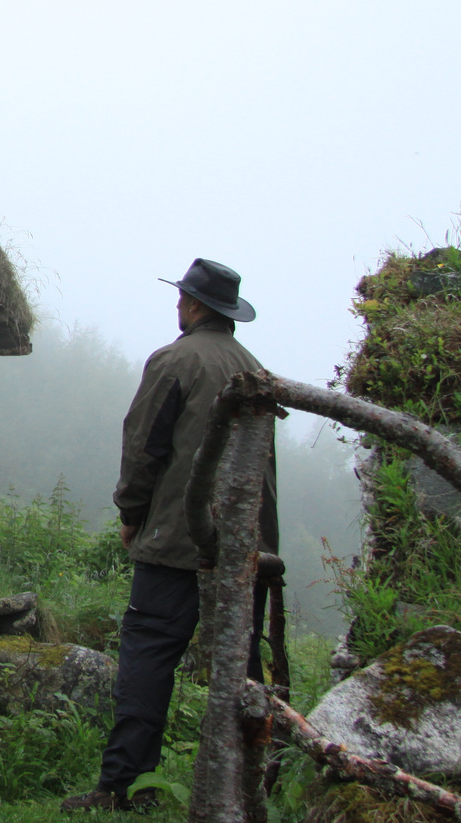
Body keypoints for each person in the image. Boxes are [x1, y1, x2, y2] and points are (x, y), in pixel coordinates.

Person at [61, 258, 278, 813]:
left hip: (176, 543)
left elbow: (144, 447)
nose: (177, 305)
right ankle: (251, 789)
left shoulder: (175, 360)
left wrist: (132, 513)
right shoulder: (257, 370)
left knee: (148, 660)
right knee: (243, 668)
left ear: (197, 305)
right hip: (246, 550)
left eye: (183, 297)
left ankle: (125, 788)